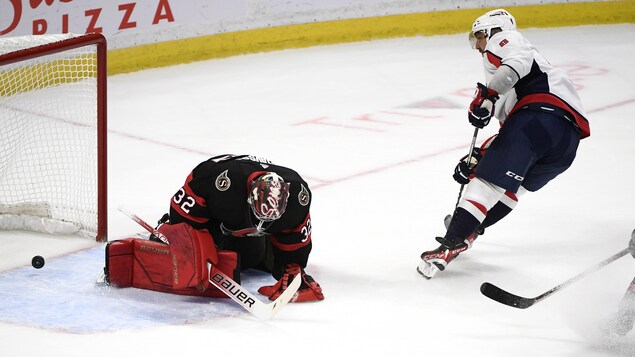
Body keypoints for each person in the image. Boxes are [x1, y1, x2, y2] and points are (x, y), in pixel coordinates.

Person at [418, 9, 590, 278]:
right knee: (511, 189)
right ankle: (468, 231)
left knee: (486, 183)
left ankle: (450, 243)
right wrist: (479, 157)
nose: (477, 45)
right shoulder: (530, 80)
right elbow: (515, 136)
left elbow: (516, 65)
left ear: (491, 30)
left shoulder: (505, 39)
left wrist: (488, 96)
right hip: (565, 143)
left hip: (538, 119)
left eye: (478, 36)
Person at [156, 154, 324, 302]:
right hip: (219, 207)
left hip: (242, 212)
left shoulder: (297, 197)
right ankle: (166, 226)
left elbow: (296, 236)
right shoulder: (219, 183)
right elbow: (183, 209)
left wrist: (291, 267)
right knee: (203, 253)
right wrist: (186, 239)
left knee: (252, 259)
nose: (261, 225)